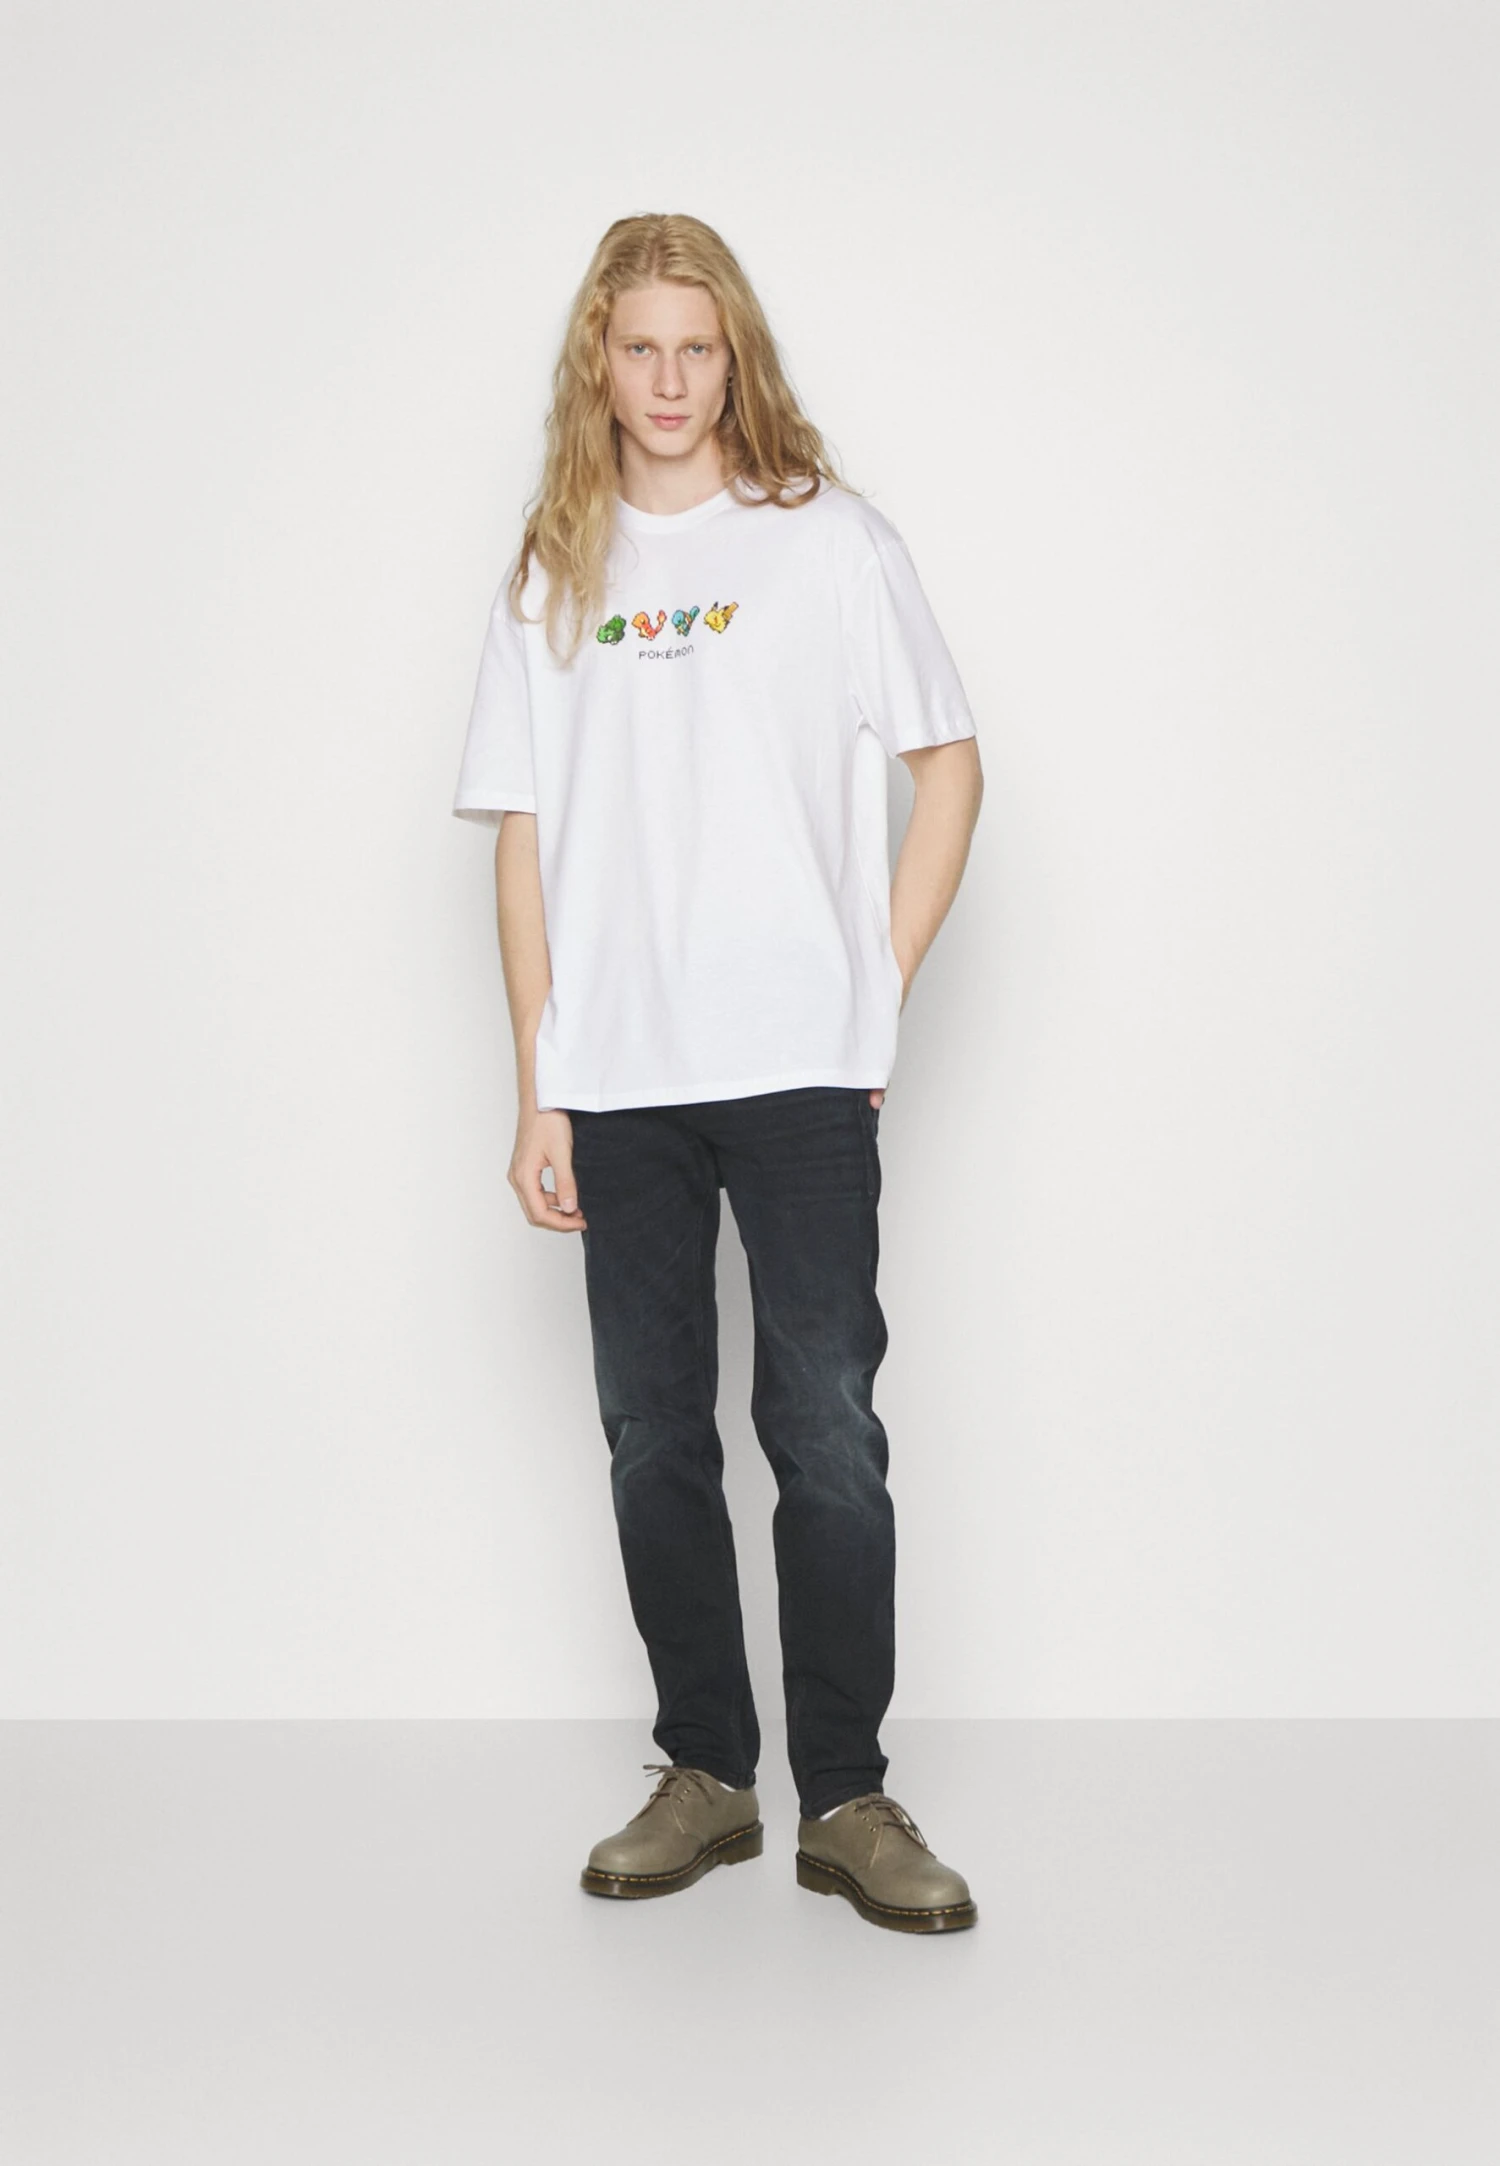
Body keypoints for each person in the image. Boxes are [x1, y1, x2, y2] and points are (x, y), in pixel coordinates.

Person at [452, 213, 984, 1935]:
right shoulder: (552, 570)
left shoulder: (829, 541)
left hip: (803, 1067)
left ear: (732, 354)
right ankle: (706, 1772)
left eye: (698, 346)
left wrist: (875, 985)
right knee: (650, 1432)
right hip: (619, 1073)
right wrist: (536, 1084)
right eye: (640, 349)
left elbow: (951, 767)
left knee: (824, 1425)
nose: (670, 380)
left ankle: (849, 1795)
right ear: (597, 365)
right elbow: (522, 840)